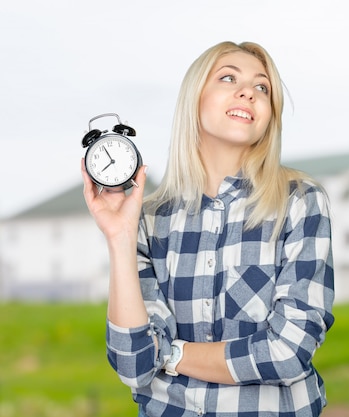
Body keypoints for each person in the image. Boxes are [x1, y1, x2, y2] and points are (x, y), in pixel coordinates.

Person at [81, 41, 335, 417]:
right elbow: (134, 365)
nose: (248, 91)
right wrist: (120, 237)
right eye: (228, 78)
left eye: (262, 87)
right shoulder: (150, 219)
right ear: (194, 99)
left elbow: (288, 352)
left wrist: (169, 353)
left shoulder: (299, 201)